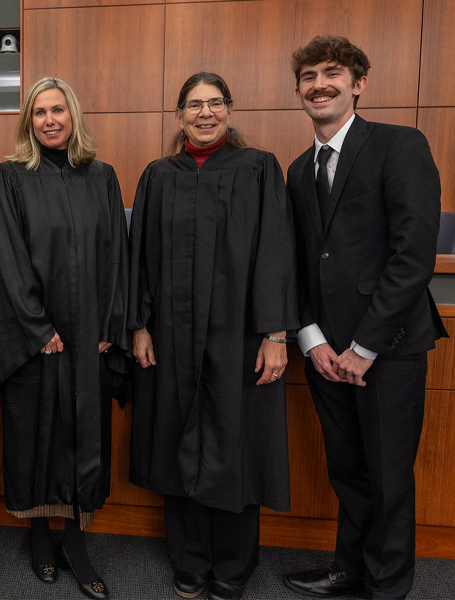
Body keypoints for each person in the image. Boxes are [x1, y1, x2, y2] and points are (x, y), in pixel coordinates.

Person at [283, 35, 446, 600]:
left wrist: (365, 347)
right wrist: (311, 339)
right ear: (299, 90)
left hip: (388, 349)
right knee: (348, 473)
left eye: (332, 73)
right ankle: (349, 569)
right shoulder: (298, 170)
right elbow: (299, 263)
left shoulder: (400, 145)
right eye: (308, 76)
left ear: (359, 83)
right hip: (326, 354)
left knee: (389, 477)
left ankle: (386, 587)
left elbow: (413, 255)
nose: (319, 84)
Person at [128, 72, 298, 600]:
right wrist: (139, 325)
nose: (205, 113)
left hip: (239, 337)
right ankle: (189, 559)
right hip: (172, 336)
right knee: (178, 437)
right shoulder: (158, 176)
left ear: (229, 109)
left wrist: (276, 334)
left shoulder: (259, 168)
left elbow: (275, 251)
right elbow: (140, 258)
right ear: (179, 114)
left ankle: (232, 564)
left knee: (234, 442)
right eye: (194, 105)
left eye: (215, 103)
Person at [0, 76, 129, 599]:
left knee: (82, 433)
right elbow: (6, 254)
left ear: (74, 117)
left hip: (89, 334)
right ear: (29, 121)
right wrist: (36, 326)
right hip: (36, 337)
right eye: (40, 112)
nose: (50, 120)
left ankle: (75, 539)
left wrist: (109, 326)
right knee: (35, 432)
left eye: (58, 110)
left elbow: (117, 255)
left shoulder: (102, 176)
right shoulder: (9, 177)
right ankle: (40, 535)